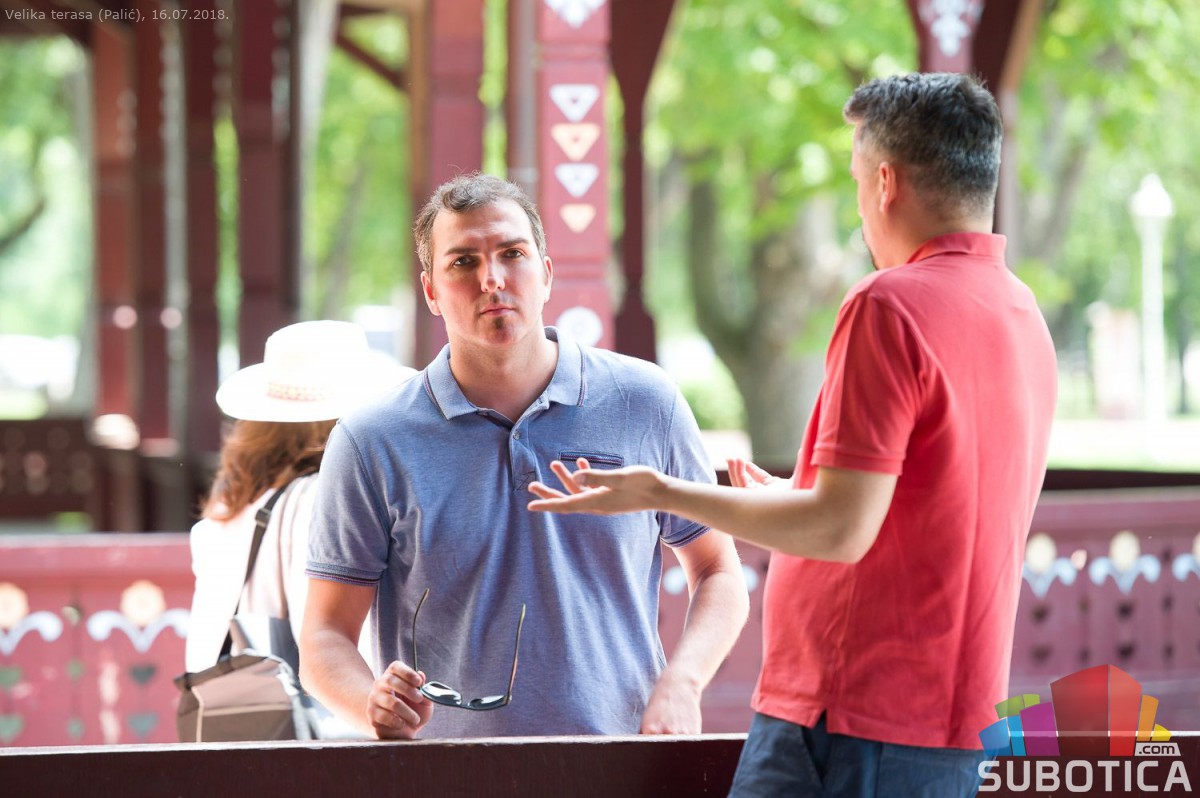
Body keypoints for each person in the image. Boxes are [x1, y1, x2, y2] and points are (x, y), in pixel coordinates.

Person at [529, 73, 1057, 797]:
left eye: (857, 183)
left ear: (885, 182)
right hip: (954, 719)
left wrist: (659, 492)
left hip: (851, 719)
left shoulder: (890, 302)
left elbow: (837, 530)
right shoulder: (1020, 312)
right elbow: (922, 510)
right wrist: (793, 495)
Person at [300, 172, 749, 741]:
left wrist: (683, 682)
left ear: (546, 274)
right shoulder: (372, 439)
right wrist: (370, 704)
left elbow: (717, 570)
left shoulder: (643, 403)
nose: (491, 279)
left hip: (623, 760)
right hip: (442, 773)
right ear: (431, 291)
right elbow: (324, 635)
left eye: (512, 254)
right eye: (463, 262)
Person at [186, 320, 413, 683]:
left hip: (235, 704)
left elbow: (203, 645)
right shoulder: (319, 498)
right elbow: (328, 639)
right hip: (312, 709)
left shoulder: (232, 506)